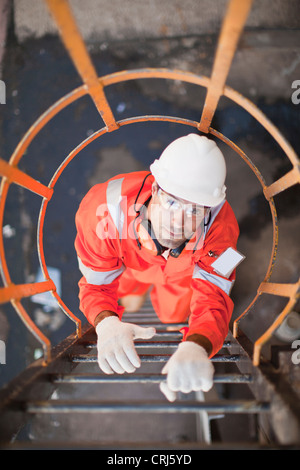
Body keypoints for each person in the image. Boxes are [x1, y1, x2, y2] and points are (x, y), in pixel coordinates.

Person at [74, 133, 241, 402]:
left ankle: (149, 301)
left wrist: (197, 344)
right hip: (125, 262)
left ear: (208, 209)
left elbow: (215, 294)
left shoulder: (224, 232)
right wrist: (105, 321)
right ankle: (134, 296)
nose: (179, 221)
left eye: (195, 210)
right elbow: (96, 283)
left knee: (171, 314)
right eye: (172, 201)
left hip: (182, 274)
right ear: (154, 190)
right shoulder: (100, 212)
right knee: (126, 297)